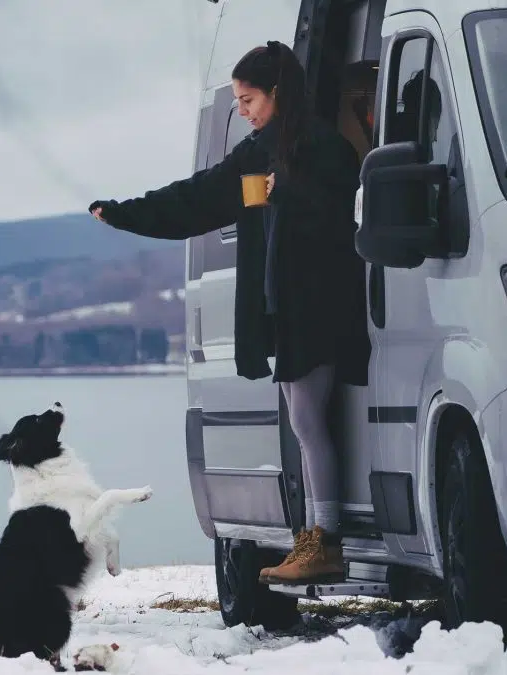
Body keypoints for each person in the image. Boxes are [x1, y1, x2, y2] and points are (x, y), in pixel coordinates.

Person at [88, 41, 370, 585]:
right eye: (238, 101)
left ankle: (324, 539)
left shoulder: (323, 148)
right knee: (303, 420)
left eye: (248, 100)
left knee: (308, 420)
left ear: (277, 94)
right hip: (285, 308)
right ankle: (316, 536)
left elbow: (336, 219)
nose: (241, 110)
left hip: (320, 303)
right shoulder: (258, 152)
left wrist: (279, 194)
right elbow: (196, 198)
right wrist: (125, 213)